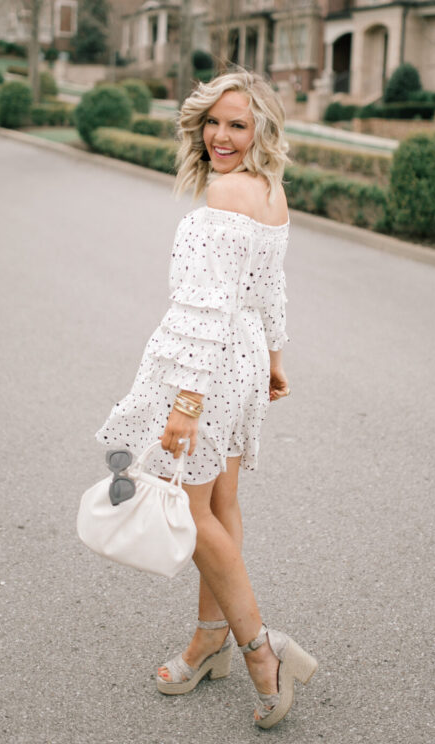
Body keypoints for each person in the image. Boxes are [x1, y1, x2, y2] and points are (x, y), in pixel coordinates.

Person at [96, 67, 317, 729]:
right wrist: (273, 358)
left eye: (237, 125)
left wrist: (182, 406)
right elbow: (269, 290)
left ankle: (259, 650)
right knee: (218, 503)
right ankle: (208, 639)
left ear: (261, 130)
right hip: (242, 358)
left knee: (188, 516)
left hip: (210, 365)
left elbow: (205, 310)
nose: (220, 136)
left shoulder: (225, 194)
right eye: (213, 122)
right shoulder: (268, 189)